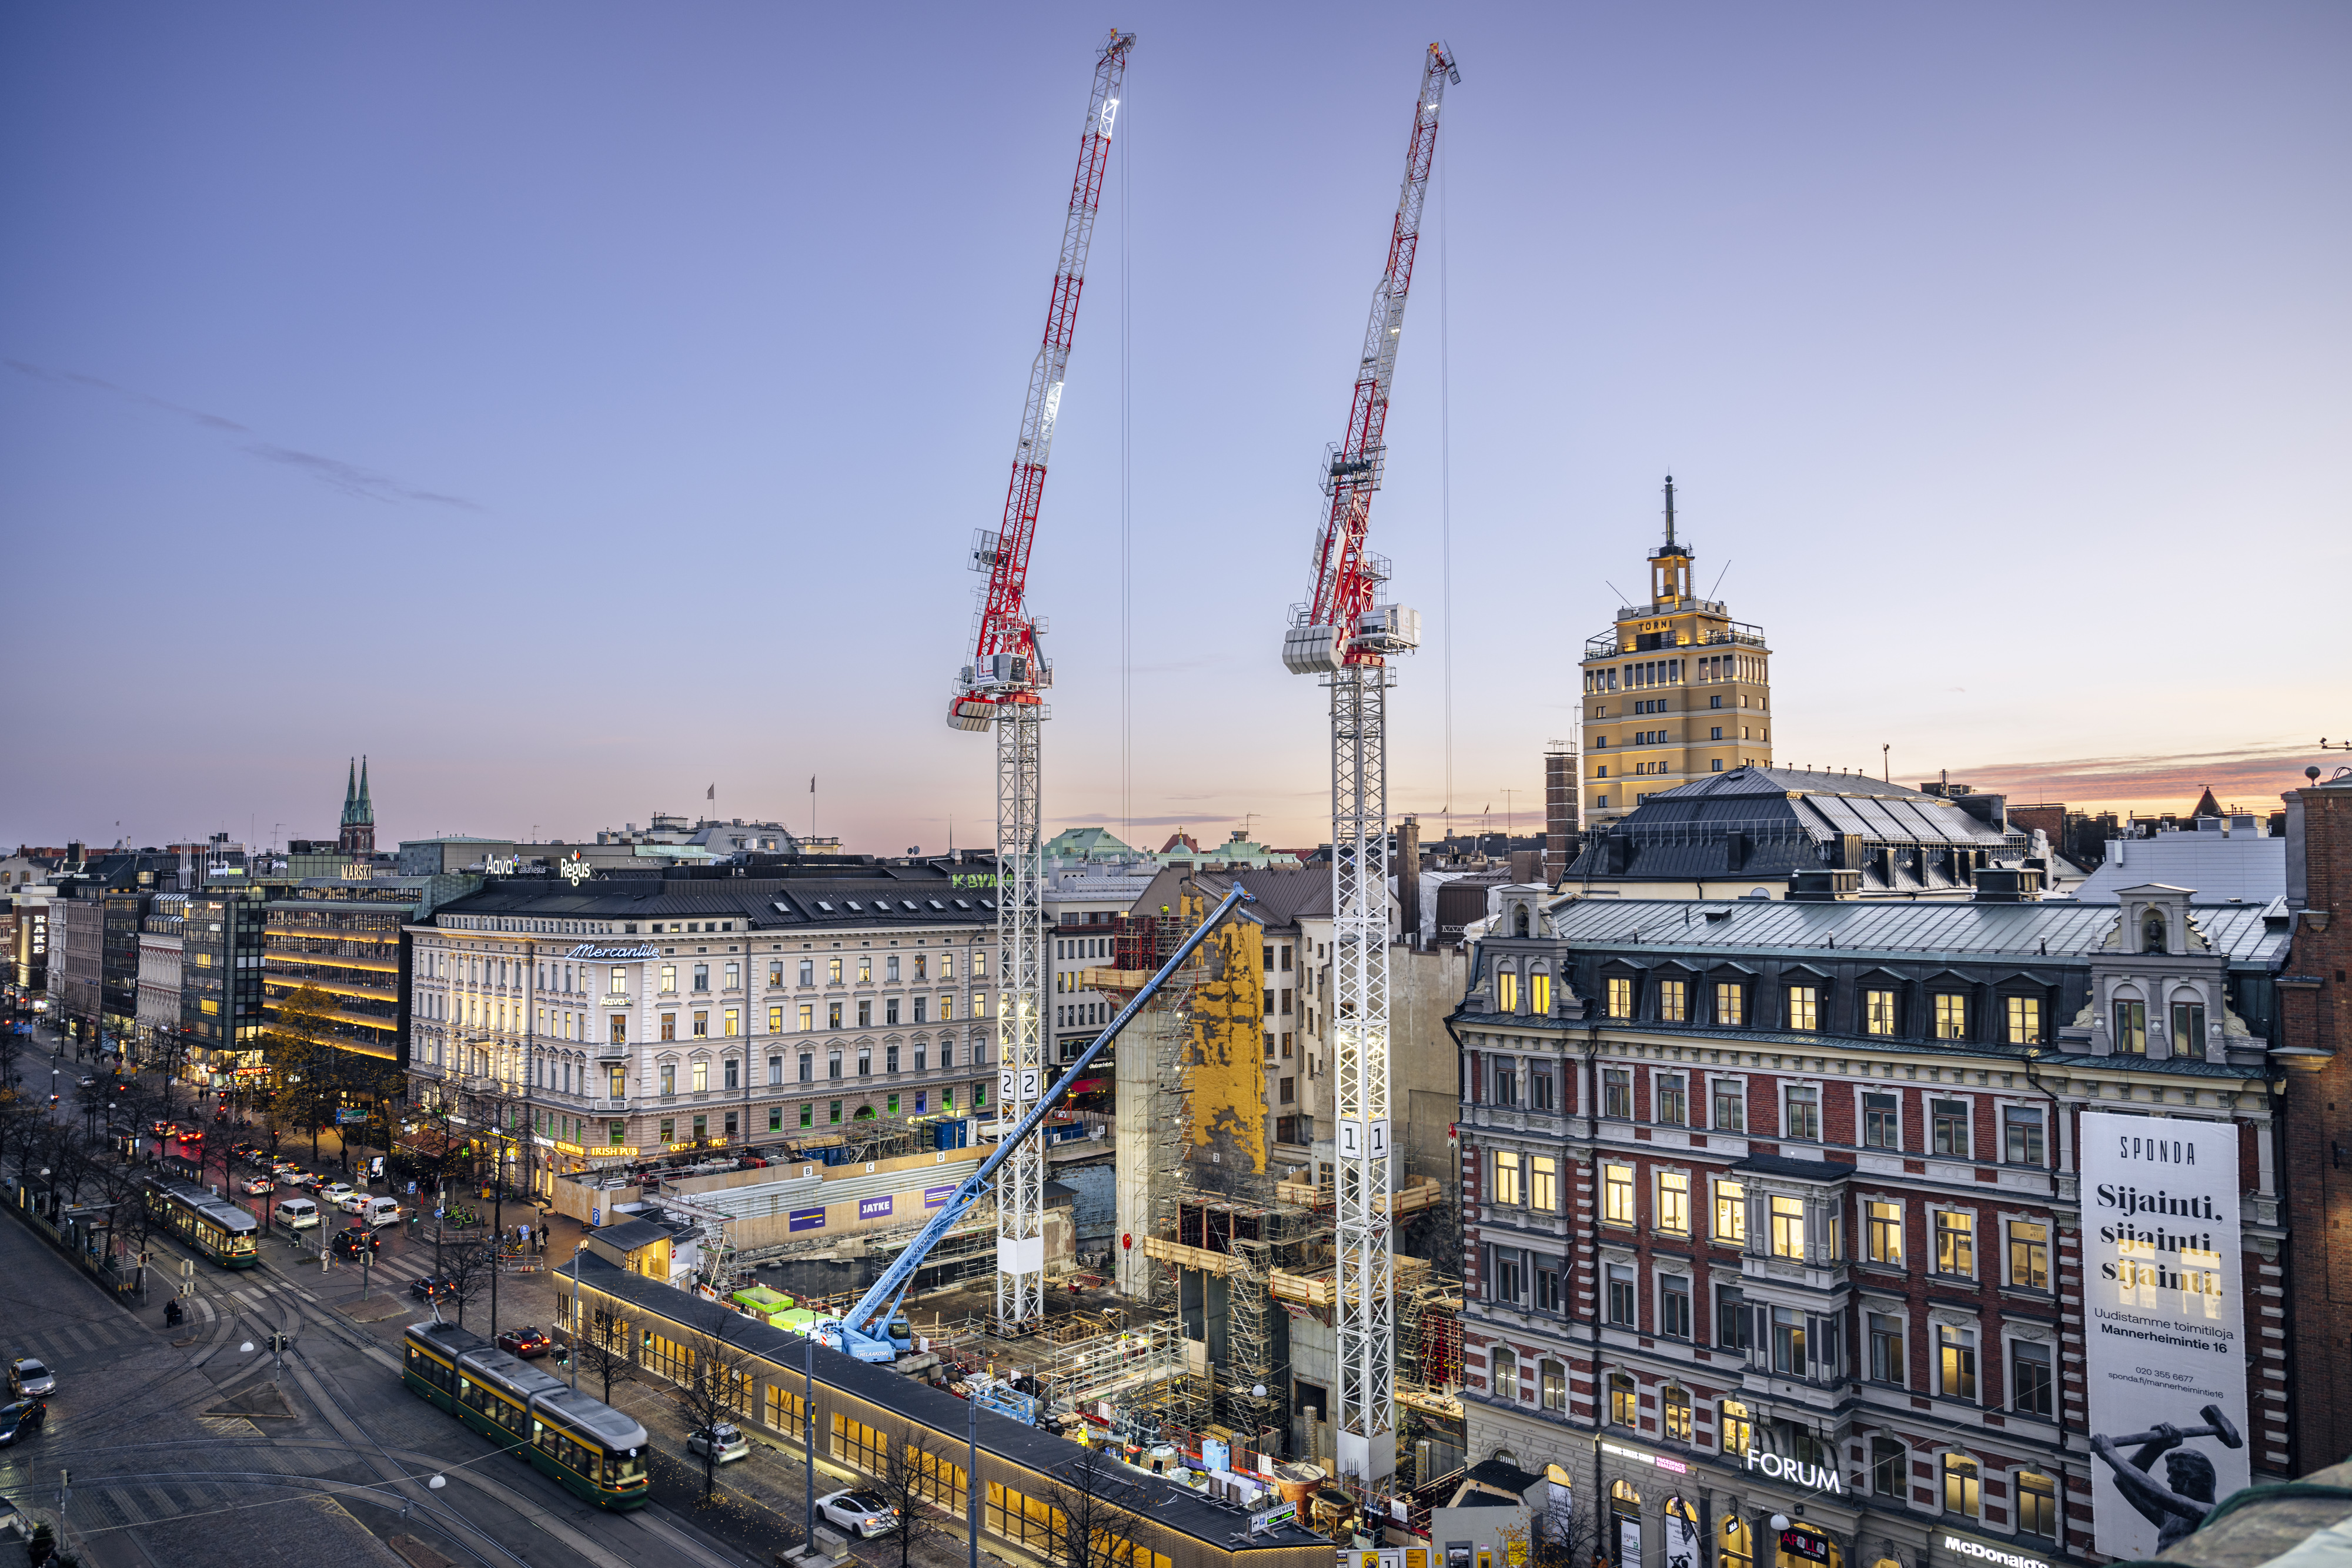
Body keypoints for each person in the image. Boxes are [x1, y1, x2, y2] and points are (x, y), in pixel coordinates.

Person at [2092, 1425, 2223, 1553]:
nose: (2170, 1480)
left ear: (2206, 1478)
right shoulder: (2169, 1517)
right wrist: (2156, 1447)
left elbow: (2159, 1496)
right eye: (2170, 1474)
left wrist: (2110, 1453)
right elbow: (2122, 1481)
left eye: (2178, 1474)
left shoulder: (2212, 1514)